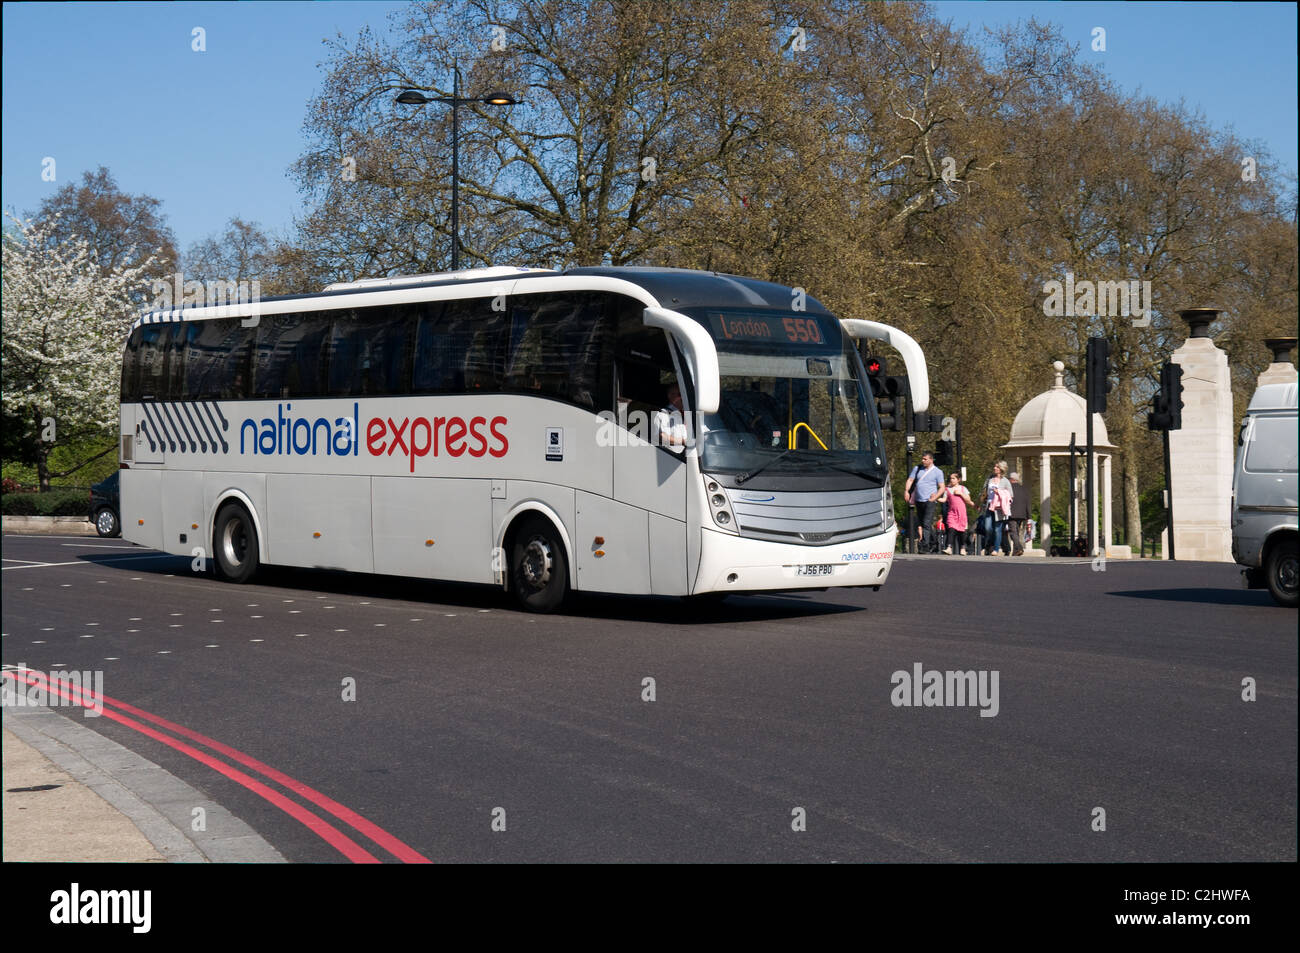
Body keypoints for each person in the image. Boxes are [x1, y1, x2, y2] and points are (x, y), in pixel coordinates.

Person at [904, 452, 945, 553]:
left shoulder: (938, 472)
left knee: (926, 523)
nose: (923, 461)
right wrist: (906, 491)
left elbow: (942, 487)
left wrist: (935, 496)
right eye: (922, 459)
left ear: (931, 460)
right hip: (919, 500)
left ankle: (924, 546)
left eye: (925, 459)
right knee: (923, 523)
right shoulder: (917, 469)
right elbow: (910, 480)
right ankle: (934, 542)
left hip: (930, 501)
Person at [978, 461, 1013, 555]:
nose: (994, 468)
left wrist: (1000, 492)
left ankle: (996, 549)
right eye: (994, 466)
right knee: (987, 528)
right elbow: (983, 491)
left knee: (998, 529)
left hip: (999, 508)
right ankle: (990, 545)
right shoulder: (989, 479)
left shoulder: (1005, 481)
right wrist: (981, 502)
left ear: (1001, 469)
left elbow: (1011, 495)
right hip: (989, 506)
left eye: (997, 467)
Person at [936, 471, 974, 555]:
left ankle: (963, 548)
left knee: (962, 532)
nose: (951, 480)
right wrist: (936, 498)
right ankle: (949, 547)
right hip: (952, 513)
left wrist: (960, 493)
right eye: (951, 478)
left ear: (958, 479)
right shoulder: (947, 489)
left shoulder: (963, 489)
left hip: (962, 514)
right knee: (951, 529)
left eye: (954, 478)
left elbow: (968, 500)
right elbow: (944, 499)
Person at [653, 382, 688, 452]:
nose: (682, 397)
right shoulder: (663, 414)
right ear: (670, 396)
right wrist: (684, 441)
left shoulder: (688, 412)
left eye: (684, 394)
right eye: (680, 394)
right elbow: (663, 437)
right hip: (675, 457)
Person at [1006, 471, 1031, 555]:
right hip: (1022, 514)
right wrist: (1028, 516)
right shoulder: (1024, 489)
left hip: (1011, 514)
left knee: (1013, 532)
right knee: (1016, 532)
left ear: (1011, 479)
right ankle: (1015, 551)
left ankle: (1019, 548)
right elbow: (1027, 503)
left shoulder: (1008, 489)